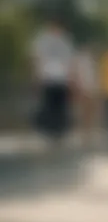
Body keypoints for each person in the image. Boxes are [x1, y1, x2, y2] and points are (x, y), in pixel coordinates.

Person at [30, 16, 76, 148]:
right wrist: (36, 76)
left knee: (60, 106)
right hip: (48, 78)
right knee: (48, 105)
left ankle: (59, 133)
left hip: (62, 79)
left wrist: (71, 78)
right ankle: (48, 132)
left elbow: (70, 61)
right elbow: (36, 59)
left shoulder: (66, 41)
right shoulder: (42, 40)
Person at [75, 42, 99, 148]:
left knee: (90, 112)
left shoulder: (94, 61)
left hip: (92, 88)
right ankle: (83, 133)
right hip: (84, 88)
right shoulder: (81, 60)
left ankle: (89, 132)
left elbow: (96, 75)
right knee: (84, 111)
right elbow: (79, 75)